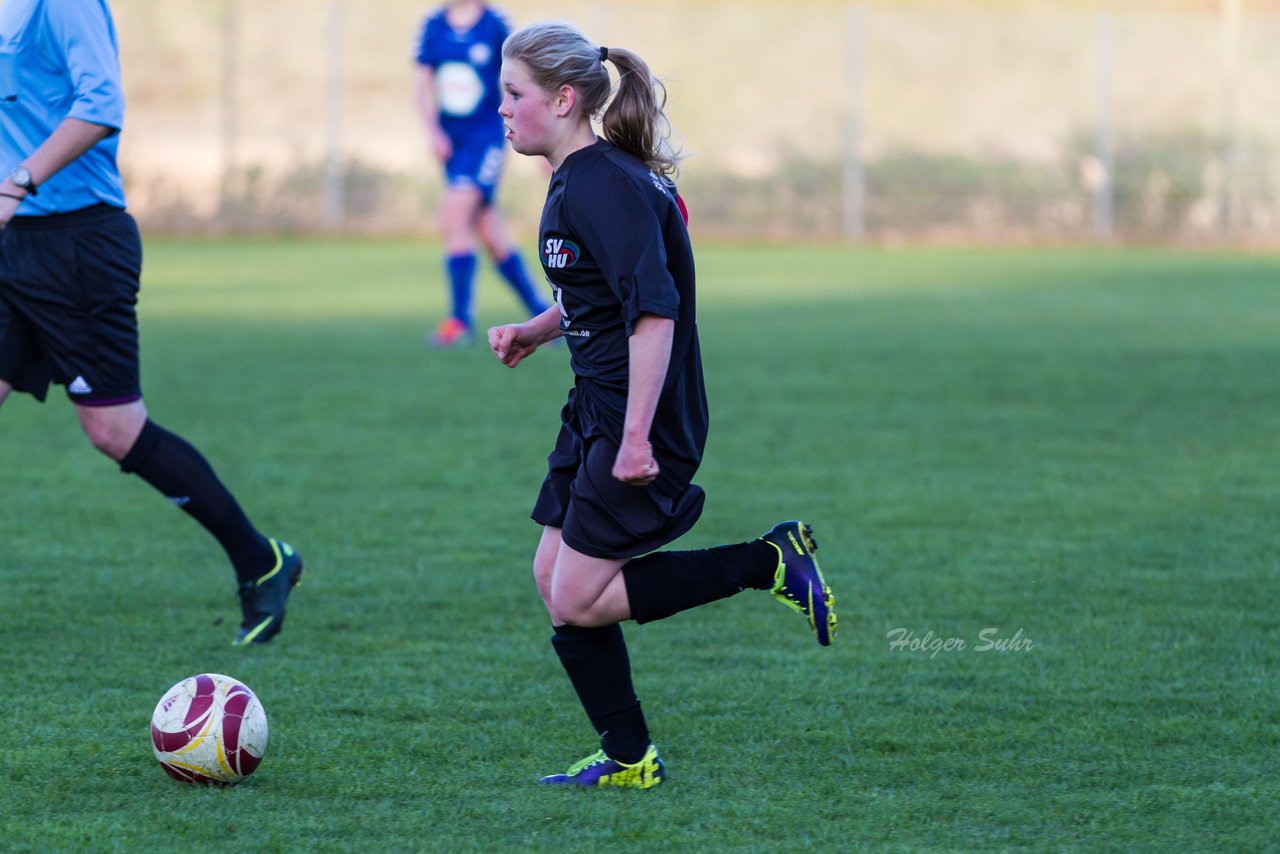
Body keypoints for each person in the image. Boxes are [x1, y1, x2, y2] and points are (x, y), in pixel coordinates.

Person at [488, 21, 838, 789]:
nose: (502, 109)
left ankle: (767, 560)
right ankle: (629, 758)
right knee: (554, 579)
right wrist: (540, 330)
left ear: (565, 98)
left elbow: (654, 311)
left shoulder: (603, 185)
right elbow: (600, 289)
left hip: (635, 418)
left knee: (578, 595)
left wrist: (637, 439)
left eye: (514, 94)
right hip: (598, 407)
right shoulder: (592, 177)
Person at [0, 0, 302, 646]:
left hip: (76, 244)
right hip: (12, 243)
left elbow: (100, 105)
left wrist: (17, 182)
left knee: (113, 429)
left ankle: (262, 559)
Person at [414, 0, 550, 347]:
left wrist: (536, 134)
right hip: (454, 144)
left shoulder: (494, 24)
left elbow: (519, 80)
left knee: (454, 215)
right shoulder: (434, 25)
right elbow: (422, 84)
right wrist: (433, 131)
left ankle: (460, 322)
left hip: (486, 140)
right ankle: (545, 316)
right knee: (490, 233)